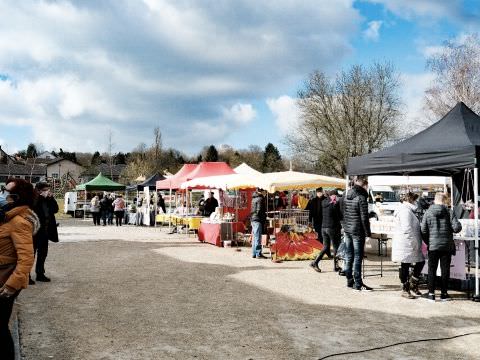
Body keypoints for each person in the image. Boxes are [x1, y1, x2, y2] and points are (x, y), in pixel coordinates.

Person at [0, 179, 38, 360]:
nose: (2, 194)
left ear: (16, 198)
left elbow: (26, 259)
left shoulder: (19, 221)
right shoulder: (8, 215)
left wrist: (11, 286)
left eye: (6, 192)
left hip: (4, 282)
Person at [421, 193, 462, 301]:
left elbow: (423, 230)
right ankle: (444, 294)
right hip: (446, 246)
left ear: (435, 200)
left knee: (432, 269)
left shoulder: (428, 212)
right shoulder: (449, 212)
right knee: (445, 270)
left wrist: (429, 242)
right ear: (444, 201)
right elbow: (457, 228)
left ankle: (431, 294)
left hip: (433, 246)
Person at [392, 192, 425, 299]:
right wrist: (414, 242)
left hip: (408, 242)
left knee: (417, 262)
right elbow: (407, 229)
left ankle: (411, 285)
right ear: (411, 200)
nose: (417, 202)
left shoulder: (407, 210)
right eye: (416, 200)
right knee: (406, 265)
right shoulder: (405, 211)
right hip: (407, 243)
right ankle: (406, 288)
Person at [343, 178, 373, 291]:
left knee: (349, 255)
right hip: (357, 230)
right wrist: (368, 232)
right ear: (364, 185)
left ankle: (349, 280)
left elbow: (344, 213)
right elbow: (364, 217)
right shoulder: (361, 197)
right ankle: (358, 283)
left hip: (348, 229)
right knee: (357, 256)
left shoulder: (347, 195)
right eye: (367, 185)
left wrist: (345, 227)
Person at [310, 190, 342, 273]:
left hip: (324, 228)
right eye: (336, 196)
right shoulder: (335, 204)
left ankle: (315, 262)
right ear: (333, 196)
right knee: (336, 247)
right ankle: (336, 266)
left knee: (325, 247)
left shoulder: (324, 202)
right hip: (333, 228)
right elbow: (339, 216)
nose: (337, 197)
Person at [32, 182, 59, 283]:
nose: (47, 192)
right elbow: (33, 209)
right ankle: (26, 276)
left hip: (45, 231)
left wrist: (50, 198)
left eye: (48, 190)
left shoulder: (48, 199)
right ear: (38, 190)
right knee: (31, 254)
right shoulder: (33, 199)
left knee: (43, 254)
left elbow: (55, 209)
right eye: (45, 190)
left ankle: (40, 273)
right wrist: (40, 197)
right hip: (34, 232)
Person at [306, 188, 328, 253]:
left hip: (324, 220)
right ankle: (320, 247)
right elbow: (309, 211)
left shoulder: (326, 199)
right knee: (318, 233)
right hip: (316, 220)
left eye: (320, 192)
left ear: (322, 192)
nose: (319, 193)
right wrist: (309, 220)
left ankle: (323, 248)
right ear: (316, 192)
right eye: (318, 192)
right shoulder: (312, 200)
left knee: (323, 235)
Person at [250, 189, 267, 259]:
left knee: (255, 237)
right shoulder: (260, 198)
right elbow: (259, 210)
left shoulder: (254, 198)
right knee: (257, 237)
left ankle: (254, 253)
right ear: (262, 191)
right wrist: (264, 217)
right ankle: (258, 253)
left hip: (253, 219)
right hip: (257, 219)